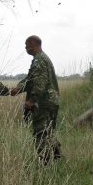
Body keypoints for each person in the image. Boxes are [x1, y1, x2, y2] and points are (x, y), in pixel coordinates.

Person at [10, 35, 62, 164]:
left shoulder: (39, 60)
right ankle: (57, 157)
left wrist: (32, 101)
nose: (25, 48)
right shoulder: (41, 59)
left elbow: (39, 83)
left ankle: (45, 162)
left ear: (34, 43)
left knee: (40, 132)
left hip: (43, 101)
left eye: (27, 44)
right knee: (48, 130)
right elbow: (30, 80)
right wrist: (18, 88)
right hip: (51, 100)